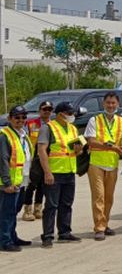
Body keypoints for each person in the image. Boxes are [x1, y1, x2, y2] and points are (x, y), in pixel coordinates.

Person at [85, 91, 122, 241]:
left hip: (112, 163)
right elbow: (91, 141)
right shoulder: (94, 120)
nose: (110, 106)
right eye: (108, 103)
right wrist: (111, 147)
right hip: (96, 163)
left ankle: (105, 223)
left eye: (113, 103)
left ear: (118, 104)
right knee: (99, 196)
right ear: (103, 104)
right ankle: (99, 228)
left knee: (109, 198)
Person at [37, 102, 83, 248]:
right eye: (70, 113)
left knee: (66, 204)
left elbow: (78, 151)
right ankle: (48, 235)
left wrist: (78, 150)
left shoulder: (73, 129)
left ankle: (64, 232)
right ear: (61, 114)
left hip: (69, 171)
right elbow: (42, 150)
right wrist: (47, 172)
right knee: (51, 205)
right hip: (54, 172)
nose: (72, 116)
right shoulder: (48, 128)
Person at [0, 106, 32, 251]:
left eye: (23, 117)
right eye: (17, 117)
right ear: (10, 119)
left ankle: (12, 236)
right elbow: (3, 160)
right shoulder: (4, 135)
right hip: (9, 182)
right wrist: (7, 183)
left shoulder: (22, 134)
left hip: (21, 179)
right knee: (7, 213)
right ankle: (5, 241)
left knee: (14, 211)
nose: (20, 120)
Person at [22, 100, 53, 221]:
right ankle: (27, 210)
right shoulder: (30, 124)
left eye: (49, 110)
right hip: (33, 158)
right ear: (40, 110)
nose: (47, 112)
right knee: (31, 184)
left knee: (42, 184)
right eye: (44, 109)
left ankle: (38, 208)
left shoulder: (53, 125)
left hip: (47, 158)